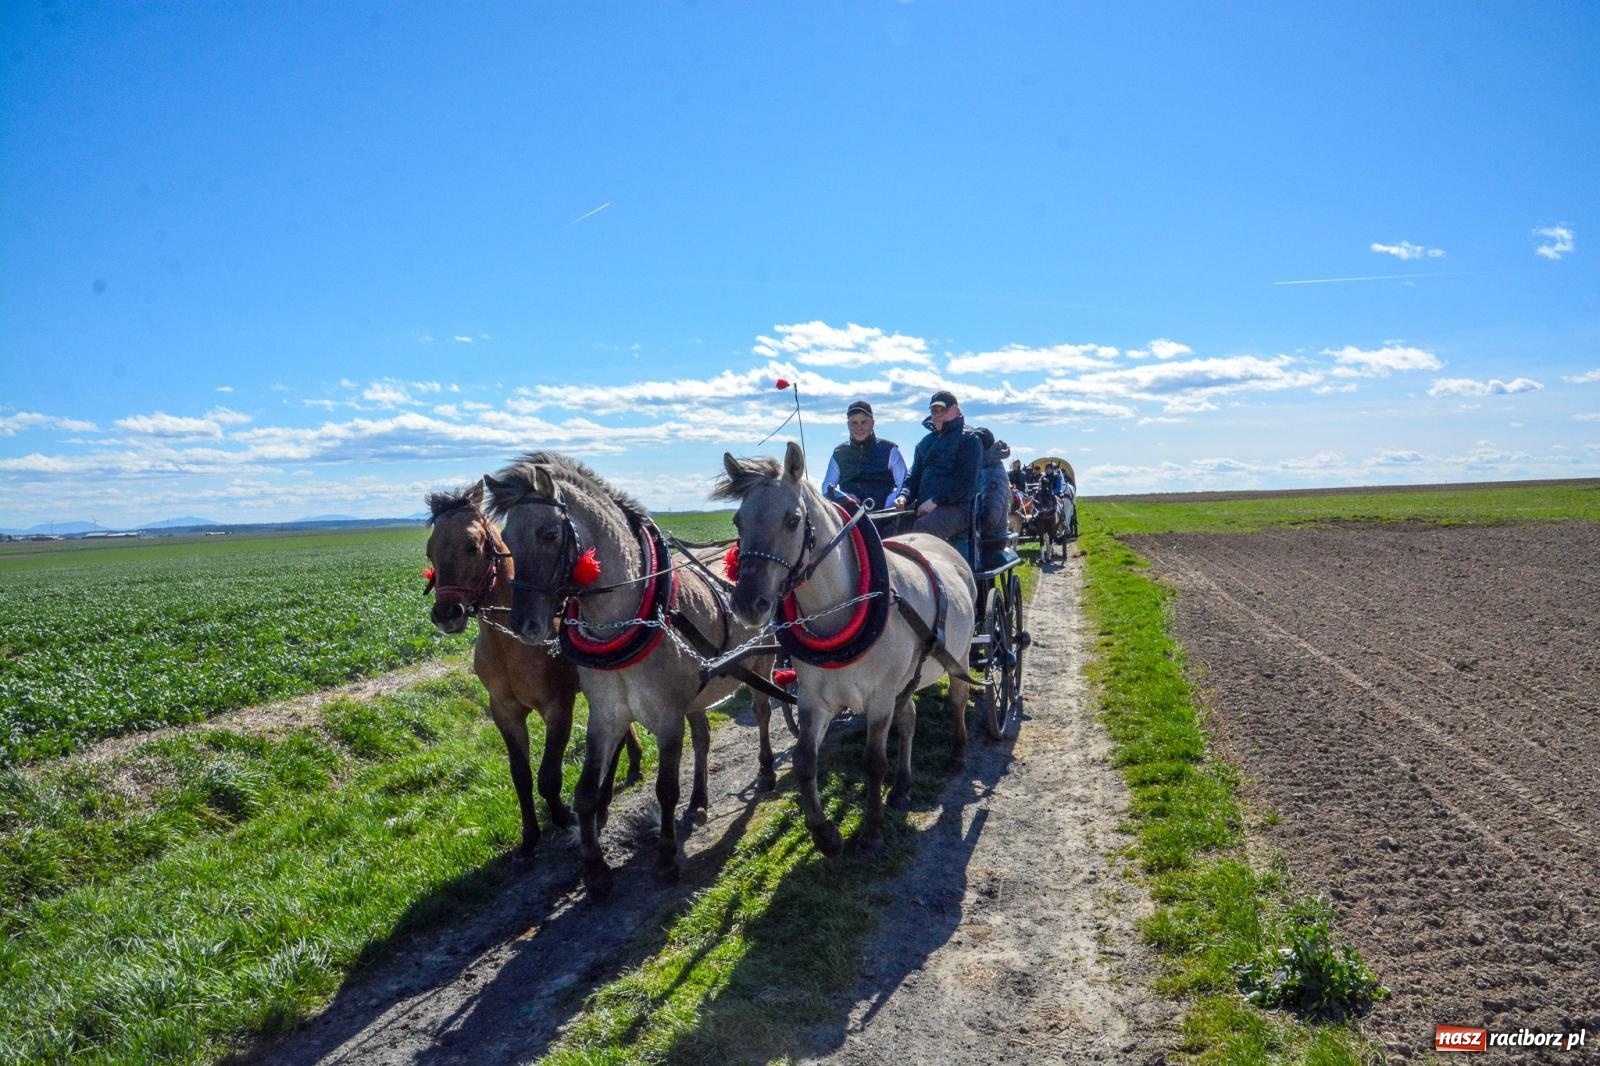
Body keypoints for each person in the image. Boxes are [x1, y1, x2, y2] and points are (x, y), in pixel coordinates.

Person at [893, 390, 984, 543]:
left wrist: (936, 501)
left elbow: (966, 484)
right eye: (935, 410)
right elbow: (913, 477)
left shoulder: (969, 440)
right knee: (889, 529)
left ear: (956, 410)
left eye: (944, 409)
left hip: (959, 508)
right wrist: (903, 496)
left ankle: (928, 567)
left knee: (924, 528)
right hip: (925, 507)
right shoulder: (924, 443)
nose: (938, 414)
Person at [821, 400, 906, 509]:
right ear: (848, 425)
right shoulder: (839, 453)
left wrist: (887, 503)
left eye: (863, 422)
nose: (859, 427)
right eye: (854, 423)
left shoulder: (890, 450)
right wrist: (844, 498)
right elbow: (827, 488)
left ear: (872, 423)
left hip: (885, 515)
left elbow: (904, 483)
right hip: (850, 516)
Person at [972, 427, 1012, 542]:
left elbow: (990, 518)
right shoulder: (984, 468)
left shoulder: (993, 474)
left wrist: (963, 526)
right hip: (981, 535)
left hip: (990, 538)